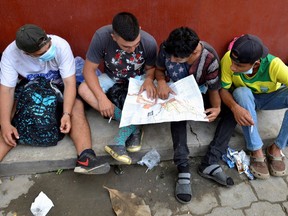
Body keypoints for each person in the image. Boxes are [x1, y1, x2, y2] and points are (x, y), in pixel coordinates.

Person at [0, 24, 110, 175]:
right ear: (26, 53)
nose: (48, 52)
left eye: (48, 46)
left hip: (61, 84)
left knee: (76, 106)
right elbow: (7, 90)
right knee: (14, 111)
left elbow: (69, 83)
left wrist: (66, 114)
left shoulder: (60, 45)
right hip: (35, 86)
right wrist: (5, 123)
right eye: (42, 53)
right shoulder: (10, 56)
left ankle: (86, 158)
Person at [155, 27, 224, 204]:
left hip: (200, 92)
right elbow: (159, 69)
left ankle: (210, 161)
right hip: (174, 91)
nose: (171, 60)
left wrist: (216, 107)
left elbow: (214, 88)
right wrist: (161, 82)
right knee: (177, 114)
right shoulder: (168, 47)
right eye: (170, 56)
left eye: (177, 59)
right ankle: (183, 167)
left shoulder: (210, 59)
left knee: (231, 112)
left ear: (194, 52)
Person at [78, 12, 158, 165]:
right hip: (111, 78)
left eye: (135, 44)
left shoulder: (148, 42)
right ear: (113, 37)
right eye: (126, 47)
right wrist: (102, 98)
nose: (132, 50)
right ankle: (132, 125)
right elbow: (88, 71)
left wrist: (148, 79)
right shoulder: (101, 36)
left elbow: (151, 69)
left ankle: (120, 139)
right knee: (83, 89)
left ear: (139, 30)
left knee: (154, 97)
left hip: (138, 80)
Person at [213, 34, 288, 180]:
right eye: (233, 62)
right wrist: (235, 108)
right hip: (246, 99)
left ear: (256, 64)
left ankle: (277, 148)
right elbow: (223, 90)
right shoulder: (229, 58)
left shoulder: (275, 65)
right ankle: (256, 150)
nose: (232, 68)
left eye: (239, 66)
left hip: (270, 98)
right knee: (241, 92)